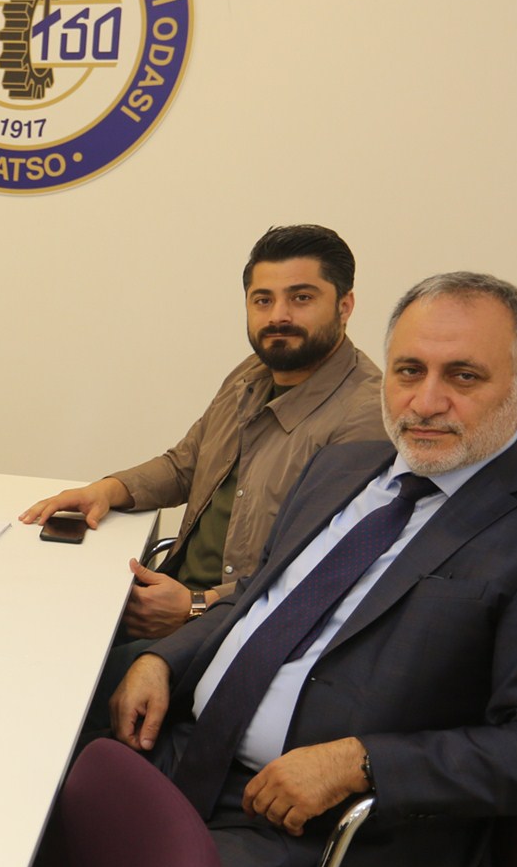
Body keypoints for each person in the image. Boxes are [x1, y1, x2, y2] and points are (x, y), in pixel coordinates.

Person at [101, 271, 517, 867]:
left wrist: (359, 762)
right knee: (14, 818)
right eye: (408, 371)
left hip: (336, 833)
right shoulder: (346, 467)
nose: (425, 402)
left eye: (463, 377)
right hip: (193, 746)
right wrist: (167, 657)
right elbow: (258, 602)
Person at [22, 225, 383, 640]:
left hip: (237, 630)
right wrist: (106, 490)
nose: (278, 316)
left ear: (344, 305)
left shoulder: (365, 416)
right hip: (170, 597)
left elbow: (325, 568)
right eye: (263, 300)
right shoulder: (253, 373)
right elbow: (186, 465)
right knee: (35, 615)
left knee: (64, 662)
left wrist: (196, 606)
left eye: (301, 298)